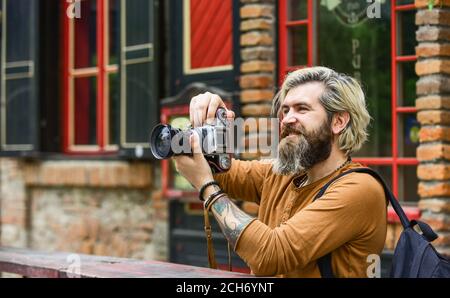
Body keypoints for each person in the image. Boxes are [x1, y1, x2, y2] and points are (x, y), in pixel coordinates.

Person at [173, 66, 387, 278]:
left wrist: (208, 189)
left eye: (302, 109)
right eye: (285, 110)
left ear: (338, 121)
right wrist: (211, 121)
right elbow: (216, 171)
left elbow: (270, 255)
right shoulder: (281, 174)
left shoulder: (360, 190)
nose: (287, 119)